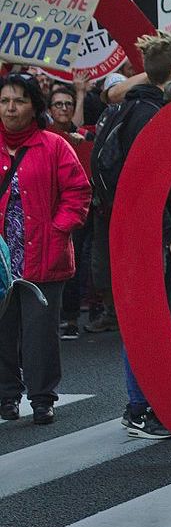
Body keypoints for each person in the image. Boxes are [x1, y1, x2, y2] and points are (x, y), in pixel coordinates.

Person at [105, 31, 171, 439]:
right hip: (146, 233)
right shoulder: (149, 114)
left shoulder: (133, 106)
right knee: (145, 319)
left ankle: (145, 405)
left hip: (131, 227)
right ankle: (138, 408)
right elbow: (146, 183)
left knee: (145, 316)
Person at [0, 73, 91, 426]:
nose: (10, 108)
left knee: (40, 333)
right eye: (5, 100)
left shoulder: (54, 145)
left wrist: (59, 229)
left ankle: (42, 397)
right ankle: (7, 395)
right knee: (3, 330)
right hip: (3, 259)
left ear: (34, 106)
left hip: (44, 253)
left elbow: (78, 193)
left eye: (19, 100)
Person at [47, 84, 92, 341]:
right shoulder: (43, 136)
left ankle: (71, 317)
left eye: (68, 104)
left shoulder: (84, 135)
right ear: (49, 109)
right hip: (48, 211)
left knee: (74, 263)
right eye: (58, 104)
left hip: (76, 212)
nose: (64, 108)